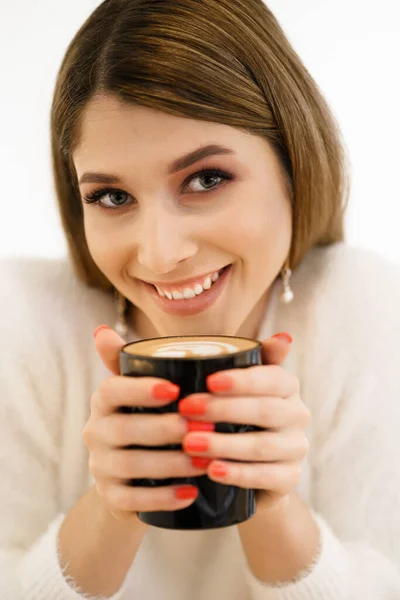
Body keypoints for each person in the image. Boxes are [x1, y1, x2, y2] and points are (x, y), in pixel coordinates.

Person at [1, 0, 400, 598]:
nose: (160, 255)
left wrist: (271, 502)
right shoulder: (21, 323)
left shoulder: (362, 312)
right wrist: (112, 507)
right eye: (111, 197)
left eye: (206, 180)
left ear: (292, 162)